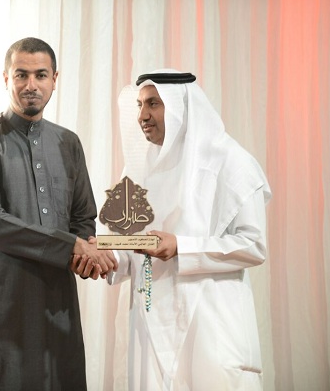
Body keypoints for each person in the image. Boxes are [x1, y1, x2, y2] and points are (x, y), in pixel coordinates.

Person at [0, 37, 117, 391]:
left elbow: (83, 217)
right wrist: (72, 247)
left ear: (55, 79)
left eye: (41, 75)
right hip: (0, 304)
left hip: (57, 305)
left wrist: (86, 252)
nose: (31, 85)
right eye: (21, 75)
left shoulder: (68, 143)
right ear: (6, 78)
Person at [106, 69, 272, 390]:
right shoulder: (136, 168)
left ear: (180, 107)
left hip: (210, 323)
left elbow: (254, 245)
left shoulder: (231, 162)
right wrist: (104, 257)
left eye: (153, 104)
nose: (142, 116)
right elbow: (127, 246)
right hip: (150, 321)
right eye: (139, 105)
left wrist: (181, 247)